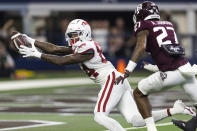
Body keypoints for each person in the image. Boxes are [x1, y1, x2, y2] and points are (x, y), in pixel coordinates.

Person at [11, 19, 195, 131]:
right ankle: (175, 109)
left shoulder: (87, 48)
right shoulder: (85, 44)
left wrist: (38, 55)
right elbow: (56, 48)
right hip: (116, 79)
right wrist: (31, 40)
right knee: (136, 120)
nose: (71, 38)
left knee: (99, 115)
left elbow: (62, 60)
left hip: (111, 80)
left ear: (83, 34)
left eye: (74, 35)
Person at [115, 1, 197, 131]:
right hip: (187, 70)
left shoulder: (143, 25)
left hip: (171, 74)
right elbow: (170, 54)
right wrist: (154, 67)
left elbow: (140, 48)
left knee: (138, 93)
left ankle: (151, 128)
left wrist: (128, 70)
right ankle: (192, 125)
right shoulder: (168, 24)